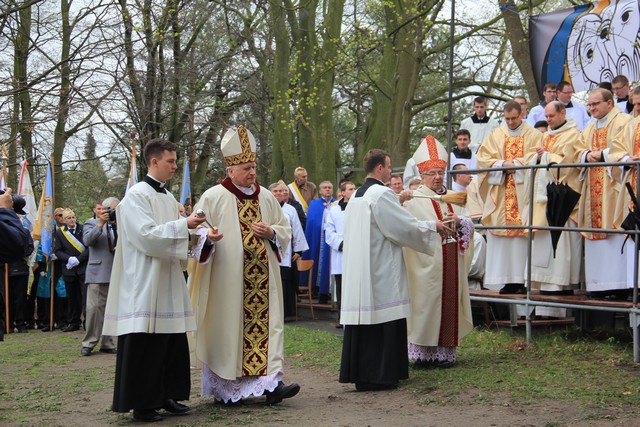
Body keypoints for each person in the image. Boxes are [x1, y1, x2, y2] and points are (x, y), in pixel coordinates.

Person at [103, 138, 213, 422]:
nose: (175, 167)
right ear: (154, 161)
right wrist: (182, 225)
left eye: (176, 162)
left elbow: (173, 236)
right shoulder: (135, 197)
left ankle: (168, 395)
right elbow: (146, 236)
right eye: (171, 162)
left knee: (171, 342)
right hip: (146, 279)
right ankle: (143, 402)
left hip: (168, 279)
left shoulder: (168, 198)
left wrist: (198, 236)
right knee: (146, 344)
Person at [188, 125, 299, 405]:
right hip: (227, 283)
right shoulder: (213, 197)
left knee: (269, 329)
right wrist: (208, 239)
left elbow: (285, 230)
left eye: (254, 167)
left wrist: (271, 233)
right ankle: (227, 390)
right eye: (247, 168)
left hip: (264, 284)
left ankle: (272, 385)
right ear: (231, 170)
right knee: (228, 332)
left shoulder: (267, 197)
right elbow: (194, 232)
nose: (252, 173)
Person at [339, 148, 444, 391]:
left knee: (364, 321)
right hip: (380, 268)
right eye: (388, 166)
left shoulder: (355, 196)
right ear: (379, 168)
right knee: (383, 316)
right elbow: (401, 226)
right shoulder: (382, 193)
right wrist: (432, 226)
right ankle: (381, 375)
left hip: (359, 271)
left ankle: (362, 375)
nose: (390, 171)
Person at [402, 136, 474, 368]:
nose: (436, 177)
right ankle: (423, 354)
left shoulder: (453, 197)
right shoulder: (413, 198)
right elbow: (408, 230)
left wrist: (460, 221)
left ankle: (445, 352)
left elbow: (471, 223)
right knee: (426, 305)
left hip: (452, 261)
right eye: (431, 172)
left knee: (449, 302)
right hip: (425, 264)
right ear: (422, 175)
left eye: (440, 172)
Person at [477, 100, 543, 294]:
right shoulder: (496, 135)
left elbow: (539, 158)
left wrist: (515, 163)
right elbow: (483, 159)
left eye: (514, 118)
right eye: (507, 119)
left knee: (523, 237)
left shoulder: (534, 135)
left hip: (524, 193)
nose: (511, 122)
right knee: (504, 240)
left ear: (522, 114)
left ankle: (523, 279)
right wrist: (501, 165)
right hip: (501, 191)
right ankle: (506, 280)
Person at [525, 102, 585, 315]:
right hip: (544, 201)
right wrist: (539, 156)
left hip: (563, 199)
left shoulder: (573, 135)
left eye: (552, 116)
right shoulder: (544, 135)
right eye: (546, 116)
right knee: (542, 246)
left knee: (561, 249)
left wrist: (547, 156)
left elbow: (570, 163)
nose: (548, 120)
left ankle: (560, 299)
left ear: (563, 113)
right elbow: (532, 159)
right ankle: (541, 302)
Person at [578, 88, 632, 298]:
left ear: (609, 103)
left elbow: (626, 149)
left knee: (614, 231)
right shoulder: (590, 127)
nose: (592, 108)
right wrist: (585, 155)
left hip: (613, 188)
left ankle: (617, 285)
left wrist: (603, 154)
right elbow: (578, 148)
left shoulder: (623, 121)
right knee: (596, 235)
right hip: (592, 187)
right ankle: (598, 286)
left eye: (596, 104)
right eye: (589, 105)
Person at [80, 197, 119, 356]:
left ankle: (107, 342)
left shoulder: (117, 224)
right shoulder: (91, 223)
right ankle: (89, 342)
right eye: (111, 209)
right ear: (103, 209)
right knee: (94, 309)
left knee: (111, 310)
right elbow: (88, 241)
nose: (113, 213)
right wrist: (101, 223)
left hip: (115, 272)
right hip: (98, 272)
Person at [270, 182, 308, 319]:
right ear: (270, 193)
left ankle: (286, 313)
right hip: (269, 251)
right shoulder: (264, 208)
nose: (279, 193)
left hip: (286, 252)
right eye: (276, 191)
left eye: (281, 191)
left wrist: (298, 250)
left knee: (285, 281)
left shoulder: (290, 210)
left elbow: (297, 229)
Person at [324, 180, 356, 328]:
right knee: (341, 287)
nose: (353, 191)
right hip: (341, 253)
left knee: (356, 286)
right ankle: (341, 317)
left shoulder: (359, 207)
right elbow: (329, 232)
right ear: (342, 193)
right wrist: (342, 244)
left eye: (354, 188)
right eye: (350, 189)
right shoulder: (334, 210)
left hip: (357, 252)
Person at [54, 208, 88, 332]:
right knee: (72, 297)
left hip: (83, 267)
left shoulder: (83, 229)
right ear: (64, 220)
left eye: (73, 217)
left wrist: (78, 260)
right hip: (69, 269)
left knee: (85, 296)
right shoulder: (60, 233)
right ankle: (74, 322)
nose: (72, 220)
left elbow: (89, 248)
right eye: (69, 218)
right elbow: (57, 250)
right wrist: (69, 259)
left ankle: (87, 322)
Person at [303, 180, 335, 304]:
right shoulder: (314, 204)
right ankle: (316, 290)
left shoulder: (336, 204)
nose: (327, 189)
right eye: (325, 188)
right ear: (320, 191)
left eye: (330, 187)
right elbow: (312, 223)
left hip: (331, 242)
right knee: (317, 261)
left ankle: (328, 292)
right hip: (318, 238)